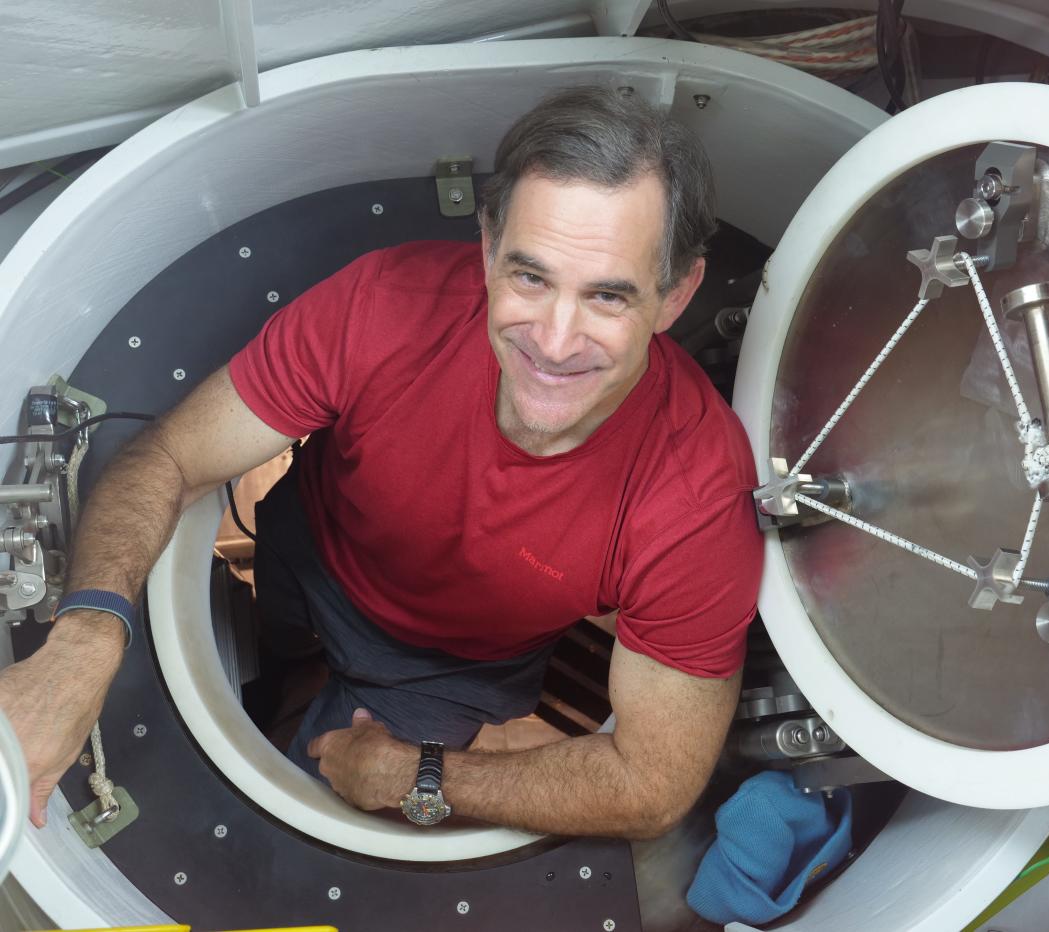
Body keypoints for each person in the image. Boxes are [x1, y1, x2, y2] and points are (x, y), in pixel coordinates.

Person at [0, 86, 763, 840]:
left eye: (607, 297)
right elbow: (169, 455)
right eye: (530, 276)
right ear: (490, 245)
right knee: (279, 653)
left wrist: (418, 775)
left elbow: (653, 786)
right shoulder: (384, 307)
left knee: (306, 800)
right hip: (311, 552)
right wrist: (85, 639)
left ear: (675, 295)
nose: (555, 342)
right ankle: (296, 673)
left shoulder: (696, 498)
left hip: (450, 670)